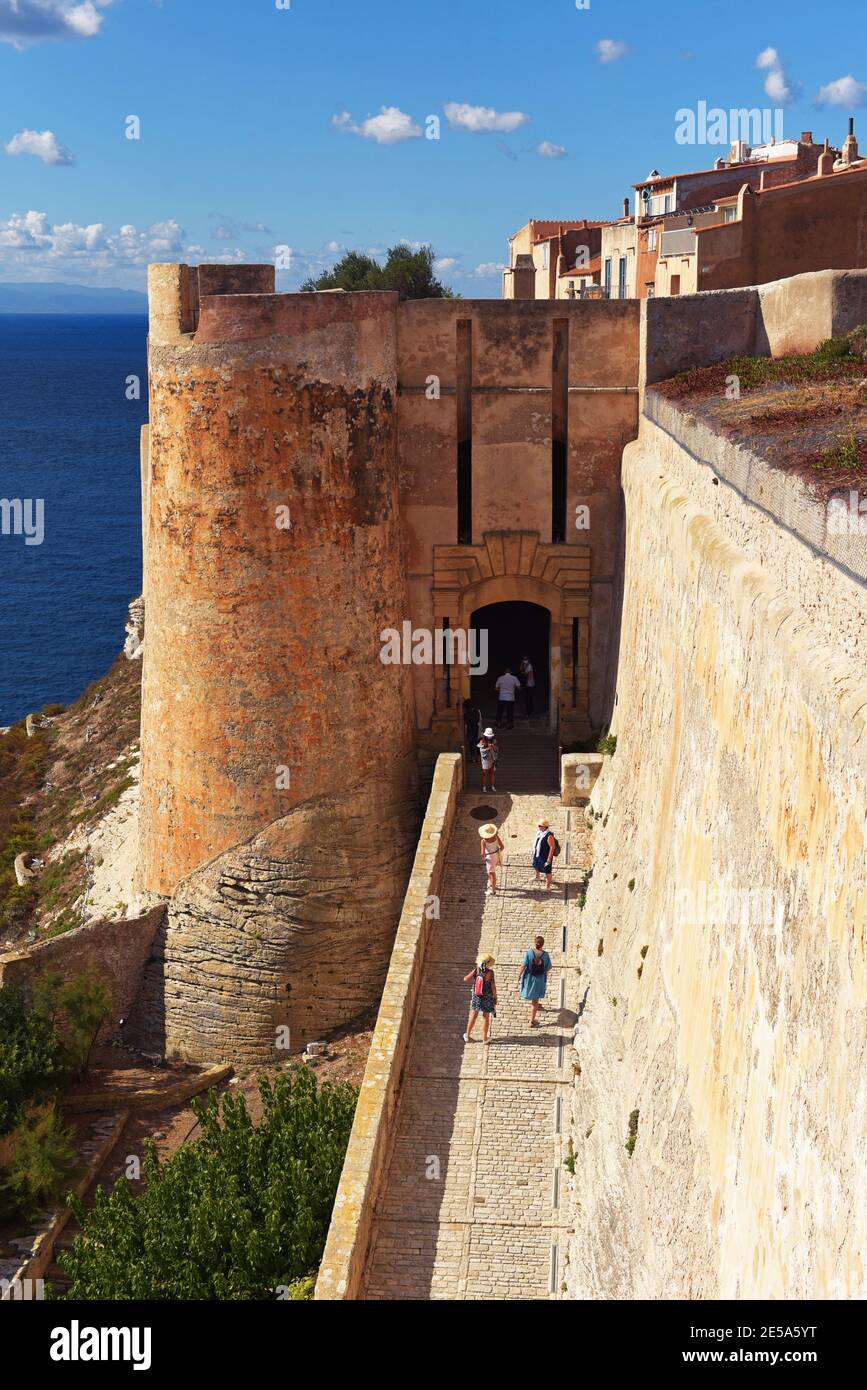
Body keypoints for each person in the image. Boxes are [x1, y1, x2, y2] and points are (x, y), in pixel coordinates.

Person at [518, 935, 552, 1028]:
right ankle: (532, 1021)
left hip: (529, 978)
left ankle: (536, 1007)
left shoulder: (529, 953)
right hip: (539, 979)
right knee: (535, 1000)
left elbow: (523, 965)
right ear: (542, 944)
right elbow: (548, 967)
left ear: (535, 943)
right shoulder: (545, 955)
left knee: (534, 998)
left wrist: (518, 975)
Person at [463, 954, 497, 1043]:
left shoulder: (477, 969)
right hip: (487, 997)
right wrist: (495, 997)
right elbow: (493, 987)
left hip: (477, 996)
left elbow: (466, 979)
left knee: (474, 1015)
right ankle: (485, 1038)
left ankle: (467, 1035)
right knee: (486, 1017)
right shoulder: (490, 973)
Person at [479, 821, 504, 896]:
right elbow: (502, 847)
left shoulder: (483, 841)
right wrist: (497, 851)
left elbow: (482, 853)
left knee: (492, 873)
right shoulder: (496, 837)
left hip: (490, 858)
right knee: (491, 872)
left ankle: (492, 891)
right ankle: (491, 883)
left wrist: (484, 858)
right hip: (496, 855)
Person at [531, 819, 555, 890]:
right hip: (538, 854)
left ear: (545, 827)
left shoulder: (549, 835)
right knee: (536, 865)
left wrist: (549, 859)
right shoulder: (539, 833)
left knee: (547, 870)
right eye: (538, 825)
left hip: (545, 856)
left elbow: (552, 847)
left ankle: (548, 886)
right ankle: (537, 876)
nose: (539, 827)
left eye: (540, 826)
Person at [478, 727, 499, 792]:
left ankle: (492, 786)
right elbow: (481, 750)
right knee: (484, 773)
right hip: (485, 759)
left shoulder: (494, 741)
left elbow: (497, 750)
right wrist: (488, 749)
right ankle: (484, 787)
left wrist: (493, 747)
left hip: (492, 758)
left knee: (492, 773)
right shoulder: (482, 741)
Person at [463, 697, 482, 764]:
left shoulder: (467, 713)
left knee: (471, 743)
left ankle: (473, 757)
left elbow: (466, 721)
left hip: (470, 728)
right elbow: (479, 721)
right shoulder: (477, 710)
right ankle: (478, 757)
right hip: (476, 728)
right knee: (477, 743)